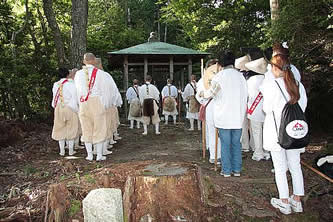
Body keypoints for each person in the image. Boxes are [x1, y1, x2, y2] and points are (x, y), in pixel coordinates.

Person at [261, 54, 307, 215]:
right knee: (295, 165)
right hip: (295, 131)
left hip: (277, 133)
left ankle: (284, 201)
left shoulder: (272, 85)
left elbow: (266, 109)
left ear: (274, 68)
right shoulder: (298, 85)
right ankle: (297, 200)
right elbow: (303, 107)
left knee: (280, 168)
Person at [203, 51, 248, 177]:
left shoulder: (219, 77)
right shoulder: (241, 77)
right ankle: (237, 169)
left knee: (225, 143)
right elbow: (246, 95)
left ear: (221, 63)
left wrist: (202, 94)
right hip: (238, 116)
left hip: (224, 116)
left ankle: (226, 170)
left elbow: (211, 93)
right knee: (236, 143)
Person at [75, 53, 118, 161]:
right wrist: (104, 105)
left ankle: (89, 155)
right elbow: (106, 92)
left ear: (83, 61)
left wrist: (79, 104)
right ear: (94, 61)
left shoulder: (78, 74)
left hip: (84, 102)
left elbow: (77, 91)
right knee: (100, 128)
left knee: (86, 128)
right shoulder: (101, 74)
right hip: (97, 101)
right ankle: (99, 155)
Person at [244, 58, 270, 161]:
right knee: (267, 132)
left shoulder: (250, 81)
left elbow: (246, 96)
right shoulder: (268, 79)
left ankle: (258, 152)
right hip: (267, 109)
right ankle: (267, 151)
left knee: (256, 132)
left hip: (254, 110)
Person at [196, 59, 222, 164]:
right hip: (210, 105)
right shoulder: (202, 81)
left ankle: (217, 153)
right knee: (212, 131)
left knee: (219, 131)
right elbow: (199, 95)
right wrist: (204, 97)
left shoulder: (222, 78)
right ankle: (214, 154)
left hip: (221, 105)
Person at [51, 68, 79, 156]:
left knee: (60, 127)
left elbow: (54, 97)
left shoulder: (56, 84)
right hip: (69, 107)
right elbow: (74, 97)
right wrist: (76, 108)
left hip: (59, 107)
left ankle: (62, 150)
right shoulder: (71, 84)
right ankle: (71, 150)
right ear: (67, 74)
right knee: (71, 127)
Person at [235, 54, 254, 152]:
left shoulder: (240, 76)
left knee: (247, 125)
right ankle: (250, 145)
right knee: (250, 126)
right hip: (250, 103)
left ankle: (246, 145)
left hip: (245, 102)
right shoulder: (252, 74)